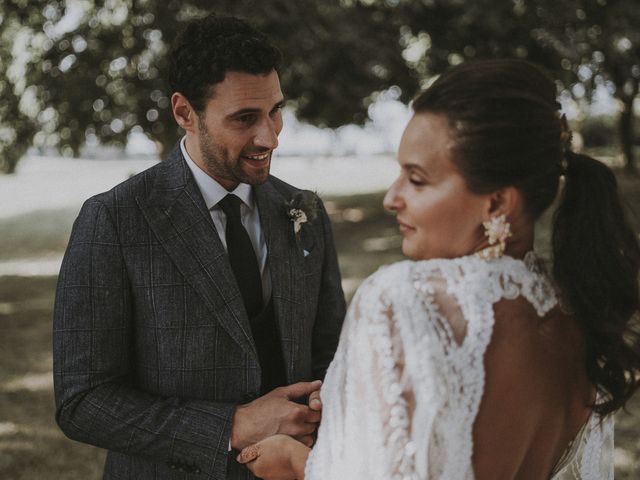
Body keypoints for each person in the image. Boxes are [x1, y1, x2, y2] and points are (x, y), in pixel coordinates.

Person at [235, 59, 640, 479]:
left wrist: (295, 463)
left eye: (417, 179)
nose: (392, 198)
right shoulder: (576, 311)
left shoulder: (404, 303)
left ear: (497, 203)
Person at [52, 14, 346, 480]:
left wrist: (320, 406)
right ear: (185, 112)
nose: (269, 136)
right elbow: (83, 400)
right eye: (244, 118)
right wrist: (233, 425)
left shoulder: (303, 210)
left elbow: (332, 349)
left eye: (275, 111)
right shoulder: (114, 219)